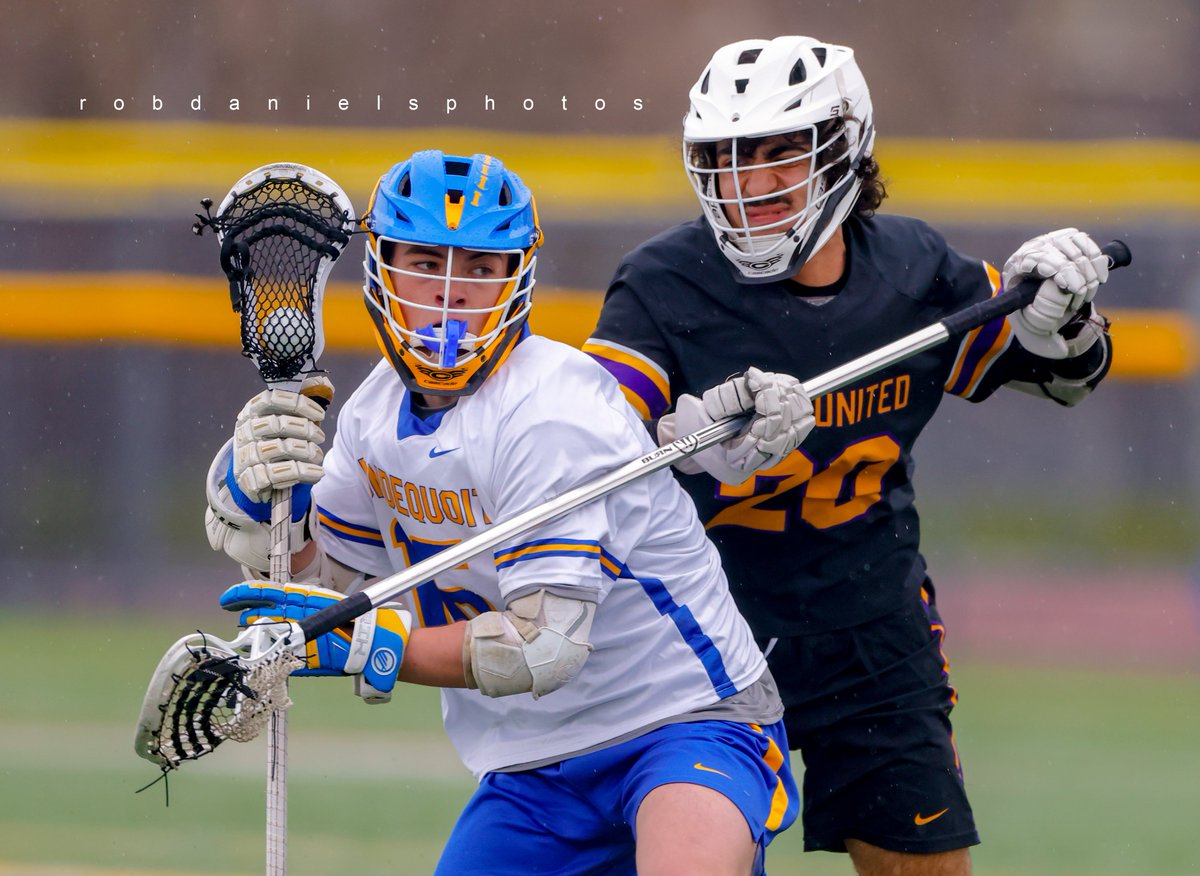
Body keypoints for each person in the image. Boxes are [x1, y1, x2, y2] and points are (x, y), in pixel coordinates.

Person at [582, 36, 1113, 876]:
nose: (748, 185)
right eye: (726, 158)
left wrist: (1065, 327)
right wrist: (682, 449)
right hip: (694, 634)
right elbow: (584, 454)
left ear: (843, 151)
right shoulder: (662, 284)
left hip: (868, 629)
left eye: (776, 154)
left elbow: (1067, 380)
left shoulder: (913, 268)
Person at [203, 150, 814, 875]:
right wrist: (268, 515)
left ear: (517, 277)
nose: (451, 294)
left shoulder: (552, 412)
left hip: (684, 719)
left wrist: (369, 647)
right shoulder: (371, 418)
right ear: (383, 266)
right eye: (428, 262)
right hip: (534, 766)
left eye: (480, 269)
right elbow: (328, 590)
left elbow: (542, 647)